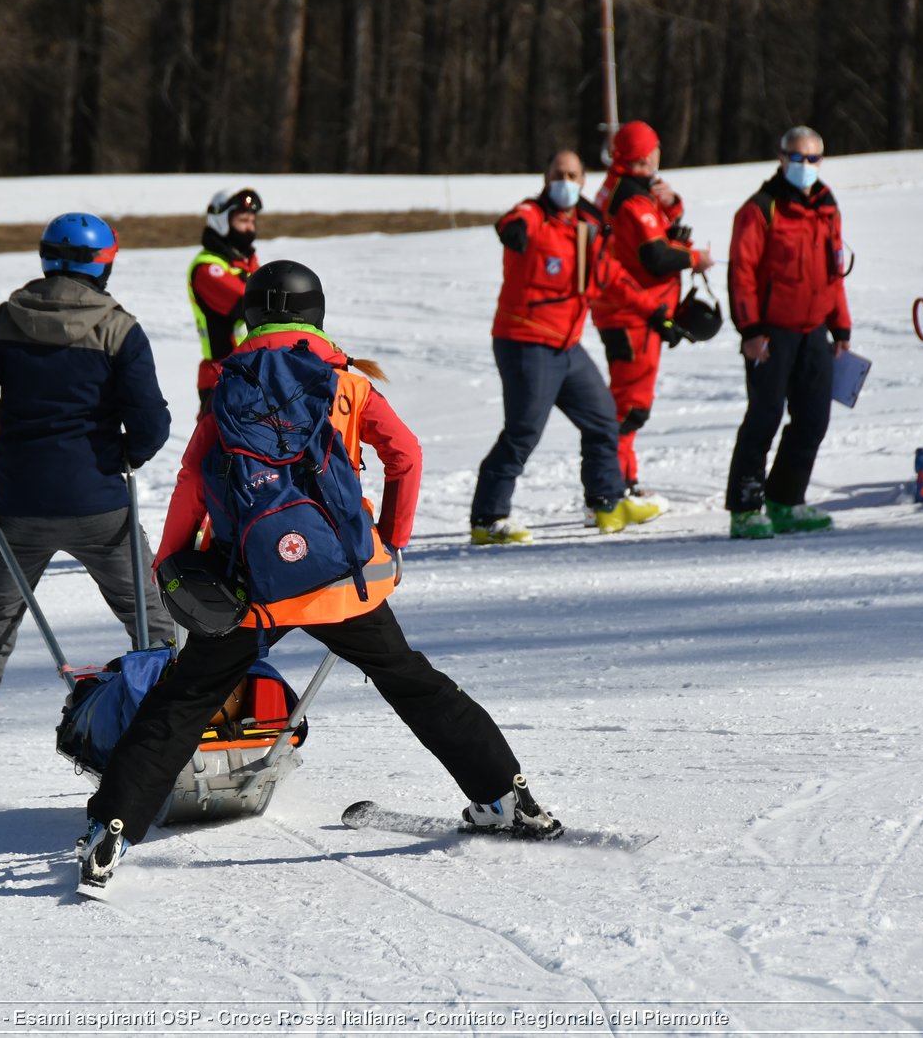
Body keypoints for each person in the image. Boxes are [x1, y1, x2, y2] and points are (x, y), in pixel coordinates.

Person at [77, 260, 562, 892]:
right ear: (318, 315)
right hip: (341, 583)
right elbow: (406, 455)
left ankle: (109, 833)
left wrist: (172, 561)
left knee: (181, 703)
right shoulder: (346, 383)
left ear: (250, 315)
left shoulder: (228, 385)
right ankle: (507, 797)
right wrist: (389, 543)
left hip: (251, 588)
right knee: (413, 682)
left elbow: (194, 480)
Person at [0, 212, 174, 812]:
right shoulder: (118, 328)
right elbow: (153, 423)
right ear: (104, 262)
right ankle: (175, 750)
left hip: (19, 509)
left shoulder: (6, 320)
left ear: (45, 259)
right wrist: (125, 456)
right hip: (100, 508)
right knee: (156, 628)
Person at [470, 150, 665, 543]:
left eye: (572, 174)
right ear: (546, 177)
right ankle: (488, 519)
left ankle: (606, 501)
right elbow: (513, 220)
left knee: (603, 420)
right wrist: (511, 231)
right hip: (526, 342)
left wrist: (657, 313)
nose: (565, 181)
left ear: (583, 179)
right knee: (523, 431)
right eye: (558, 173)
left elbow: (610, 275)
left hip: (567, 346)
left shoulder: (586, 225)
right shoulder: (533, 217)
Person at [724, 126, 852, 539]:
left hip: (814, 329)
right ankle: (745, 508)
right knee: (764, 416)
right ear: (782, 158)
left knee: (814, 418)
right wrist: (750, 330)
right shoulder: (760, 208)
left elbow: (834, 271)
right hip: (771, 333)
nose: (806, 166)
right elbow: (741, 274)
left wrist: (841, 325)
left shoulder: (826, 206)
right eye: (798, 158)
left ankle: (785, 500)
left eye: (813, 158)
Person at [590, 121, 714, 495]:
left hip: (627, 309)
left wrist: (671, 205)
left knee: (627, 403)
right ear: (647, 155)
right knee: (630, 407)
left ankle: (624, 480)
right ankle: (610, 487)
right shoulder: (631, 197)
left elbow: (652, 233)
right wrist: (695, 258)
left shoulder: (617, 188)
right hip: (634, 313)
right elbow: (656, 255)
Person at [188, 187, 262, 416]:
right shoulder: (208, 268)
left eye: (252, 220)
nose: (250, 227)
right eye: (243, 220)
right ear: (221, 220)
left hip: (251, 372)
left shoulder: (245, 262)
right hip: (223, 377)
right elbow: (253, 306)